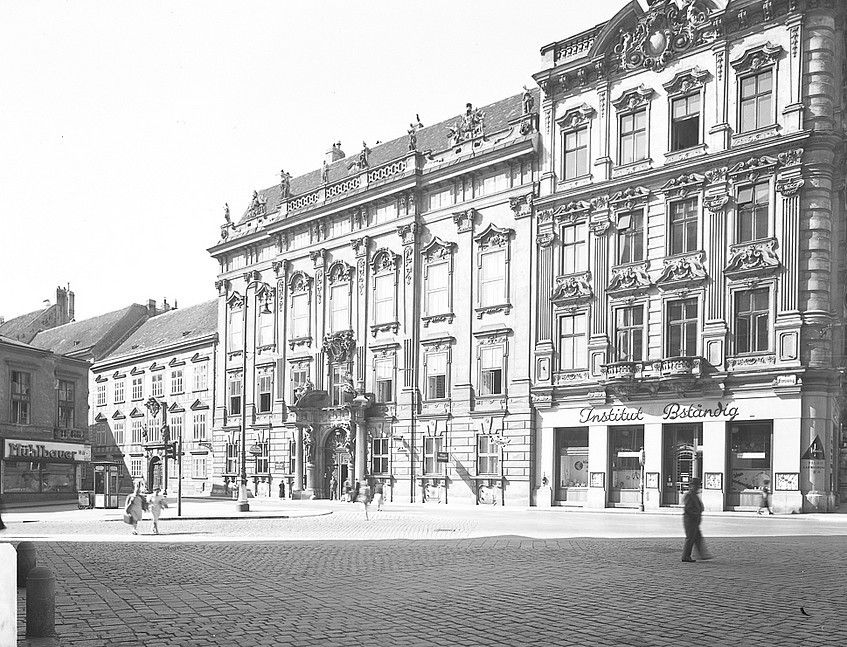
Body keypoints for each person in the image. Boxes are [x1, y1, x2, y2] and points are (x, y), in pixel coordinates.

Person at [681, 478, 712, 563]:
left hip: (694, 520)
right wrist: (696, 514)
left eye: (698, 486)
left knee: (697, 537)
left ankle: (702, 554)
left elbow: (699, 507)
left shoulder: (694, 495)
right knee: (690, 538)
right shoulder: (689, 495)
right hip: (690, 520)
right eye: (696, 486)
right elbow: (688, 509)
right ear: (692, 486)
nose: (698, 488)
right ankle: (686, 556)